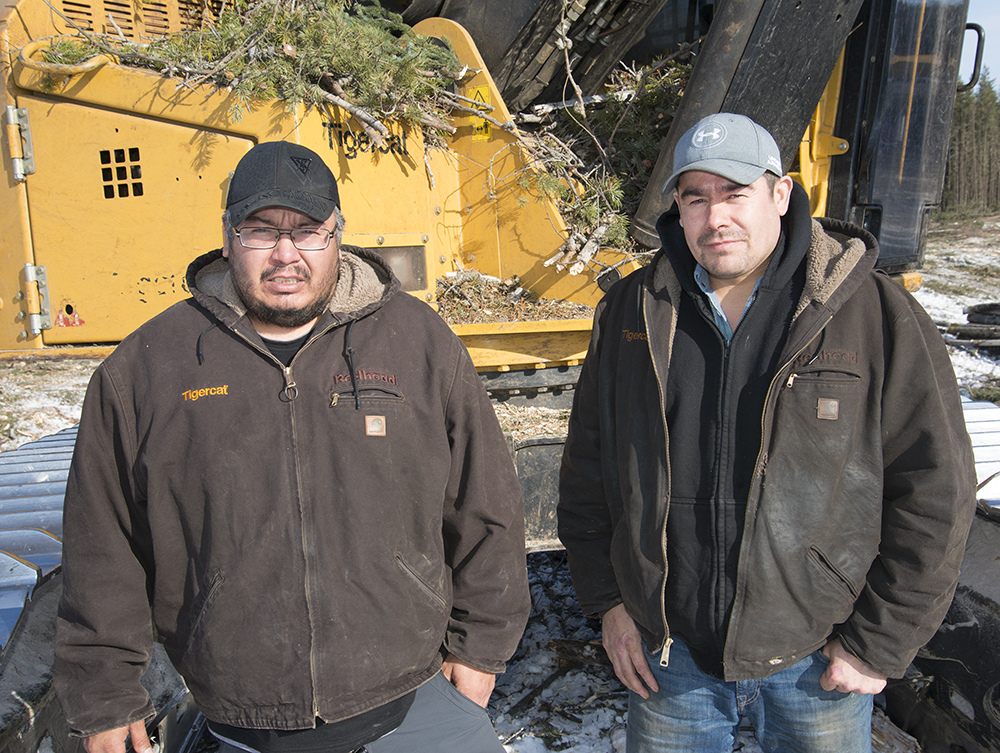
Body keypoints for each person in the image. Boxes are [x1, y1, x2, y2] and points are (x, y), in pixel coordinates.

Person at [53, 141, 530, 753]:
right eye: (260, 231)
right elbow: (102, 545)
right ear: (227, 238)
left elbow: (486, 501)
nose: (285, 255)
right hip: (243, 724)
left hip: (417, 708)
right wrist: (104, 701)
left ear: (338, 235)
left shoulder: (419, 342)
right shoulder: (146, 369)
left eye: (308, 232)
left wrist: (483, 651)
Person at [557, 113, 976, 753]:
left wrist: (877, 644)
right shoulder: (632, 313)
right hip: (671, 661)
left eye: (735, 193)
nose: (715, 216)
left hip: (817, 664)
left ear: (781, 195)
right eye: (696, 198)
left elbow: (936, 489)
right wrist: (610, 602)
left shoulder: (874, 314)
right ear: (677, 206)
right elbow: (589, 469)